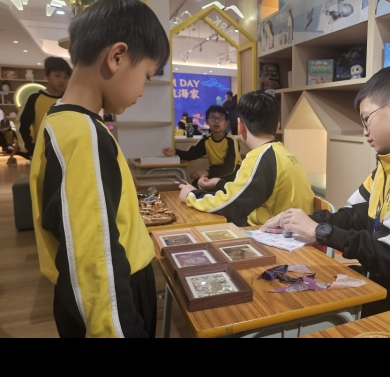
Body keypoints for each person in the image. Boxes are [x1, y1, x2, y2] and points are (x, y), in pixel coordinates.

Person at [261, 67, 390, 316]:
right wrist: (299, 221)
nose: (364, 132)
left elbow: (386, 253)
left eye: (366, 119)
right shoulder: (389, 164)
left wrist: (318, 231)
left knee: (308, 310)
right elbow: (353, 215)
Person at [30, 0, 170, 338]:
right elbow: (94, 261)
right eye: (146, 76)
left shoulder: (64, 122)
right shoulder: (84, 134)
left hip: (103, 294)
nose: (142, 91)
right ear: (117, 57)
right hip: (114, 302)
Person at [178, 91, 314, 227]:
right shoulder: (283, 153)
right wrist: (220, 183)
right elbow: (251, 192)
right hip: (293, 230)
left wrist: (191, 195)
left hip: (272, 232)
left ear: (240, 126)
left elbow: (230, 205)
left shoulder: (260, 157)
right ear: (277, 126)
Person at [163, 105, 242, 187]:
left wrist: (207, 172)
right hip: (216, 174)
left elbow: (229, 168)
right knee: (196, 184)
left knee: (208, 187)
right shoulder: (206, 140)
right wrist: (175, 151)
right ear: (207, 122)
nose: (216, 121)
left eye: (221, 118)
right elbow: (191, 154)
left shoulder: (231, 140)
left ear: (226, 123)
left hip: (233, 176)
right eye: (213, 117)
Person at [16, 56, 72, 159]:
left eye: (66, 77)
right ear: (46, 75)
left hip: (68, 154)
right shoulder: (34, 98)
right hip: (42, 155)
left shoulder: (71, 99)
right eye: (57, 75)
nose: (62, 80)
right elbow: (22, 126)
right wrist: (30, 150)